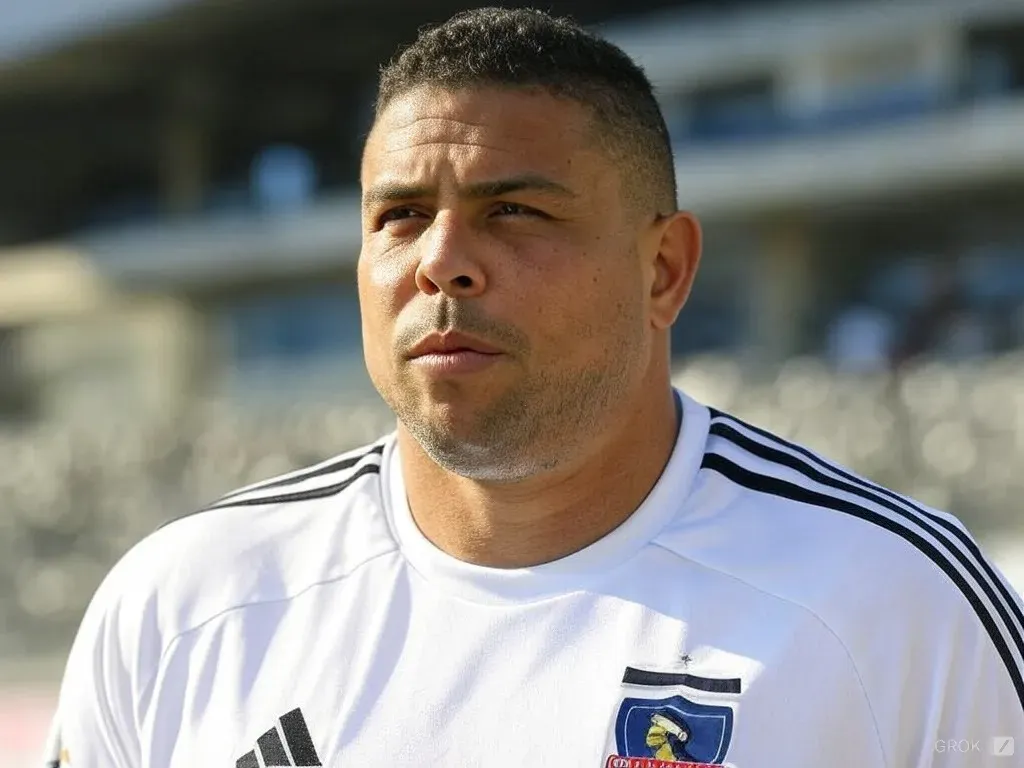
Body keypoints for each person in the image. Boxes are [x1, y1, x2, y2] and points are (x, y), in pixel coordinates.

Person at [45, 8, 1022, 768]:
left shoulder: (894, 599)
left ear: (663, 272)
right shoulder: (186, 606)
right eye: (398, 216)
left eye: (512, 211)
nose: (441, 263)